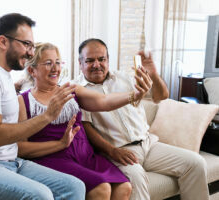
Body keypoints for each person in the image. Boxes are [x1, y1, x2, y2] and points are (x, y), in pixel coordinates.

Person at [0, 13, 86, 200]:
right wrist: (47, 115)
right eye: (26, 44)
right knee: (41, 195)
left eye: (32, 45)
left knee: (74, 187)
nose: (31, 52)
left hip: (11, 162)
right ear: (3, 42)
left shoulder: (4, 75)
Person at [76, 38, 209, 200]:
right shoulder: (78, 90)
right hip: (119, 151)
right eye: (90, 60)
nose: (96, 64)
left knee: (195, 163)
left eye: (101, 59)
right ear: (80, 63)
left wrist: (153, 73)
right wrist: (112, 151)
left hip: (148, 143)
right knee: (136, 179)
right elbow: (86, 127)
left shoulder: (125, 78)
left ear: (108, 60)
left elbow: (161, 96)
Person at [17, 42, 152, 200]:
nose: (55, 68)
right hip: (53, 158)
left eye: (58, 62)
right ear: (32, 70)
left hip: (85, 156)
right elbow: (21, 148)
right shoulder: (23, 101)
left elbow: (104, 101)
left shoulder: (70, 89)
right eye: (48, 63)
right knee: (101, 189)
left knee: (124, 187)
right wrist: (60, 143)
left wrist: (133, 95)